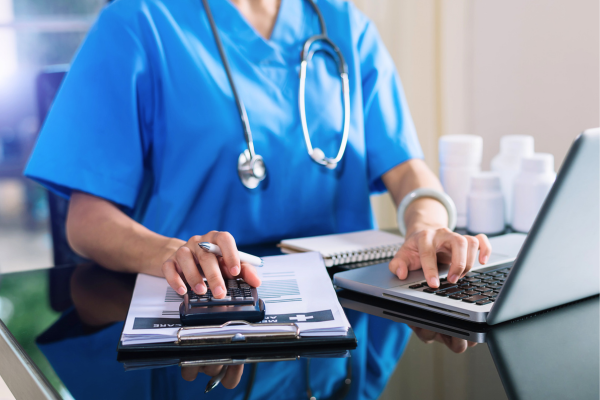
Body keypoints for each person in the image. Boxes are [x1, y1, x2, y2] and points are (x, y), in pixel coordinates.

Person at [25, 0, 491, 301]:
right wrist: (172, 253)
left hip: (346, 312)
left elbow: (407, 168)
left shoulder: (345, 25)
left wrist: (428, 227)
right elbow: (86, 222)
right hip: (204, 303)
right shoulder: (137, 22)